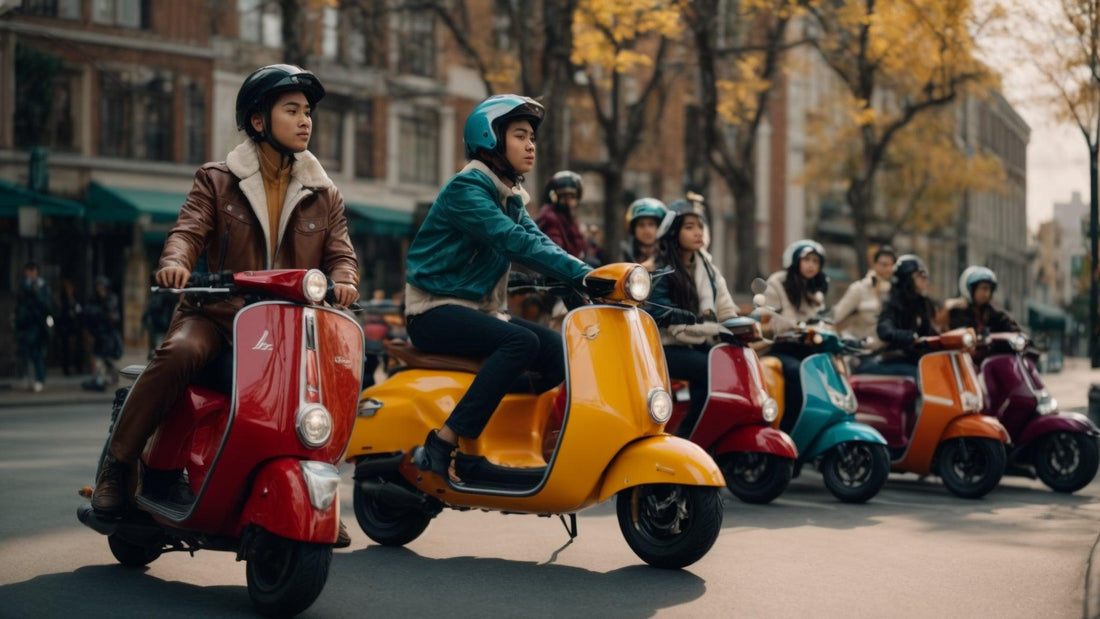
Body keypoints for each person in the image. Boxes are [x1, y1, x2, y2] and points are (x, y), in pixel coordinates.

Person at [91, 65, 360, 549]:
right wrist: (175, 263)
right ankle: (120, 462)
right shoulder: (217, 180)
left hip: (289, 327)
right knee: (178, 354)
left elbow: (341, 253)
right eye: (292, 110)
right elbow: (188, 230)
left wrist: (344, 282)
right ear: (258, 121)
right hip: (216, 317)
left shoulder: (325, 194)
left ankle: (312, 490)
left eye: (308, 112)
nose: (305, 121)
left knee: (323, 389)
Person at [404, 94, 593, 481]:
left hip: (478, 310)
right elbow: (515, 241)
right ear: (490, 138)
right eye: (520, 135)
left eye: (532, 138)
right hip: (433, 310)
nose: (530, 145)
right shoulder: (468, 189)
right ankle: (443, 442)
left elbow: (538, 241)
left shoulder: (509, 198)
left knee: (558, 352)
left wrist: (586, 275)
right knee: (520, 343)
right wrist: (582, 273)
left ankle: (496, 436)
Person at [644, 197, 739, 438]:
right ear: (673, 232)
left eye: (700, 226)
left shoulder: (709, 270)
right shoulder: (660, 269)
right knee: (710, 369)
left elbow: (726, 309)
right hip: (665, 347)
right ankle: (689, 437)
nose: (698, 232)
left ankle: (719, 434)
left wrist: (741, 327)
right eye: (689, 227)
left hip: (695, 343)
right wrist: (706, 326)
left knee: (732, 365)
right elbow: (660, 313)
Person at [760, 240, 828, 432]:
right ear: (795, 259)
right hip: (781, 348)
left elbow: (822, 320)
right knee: (799, 374)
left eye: (816, 261)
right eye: (807, 259)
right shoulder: (777, 282)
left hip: (808, 350)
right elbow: (774, 321)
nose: (811, 265)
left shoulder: (815, 290)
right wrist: (802, 326)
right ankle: (787, 429)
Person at [860, 254, 940, 380]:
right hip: (892, 358)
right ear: (907, 278)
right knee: (921, 375)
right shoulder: (893, 303)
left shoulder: (922, 303)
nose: (925, 280)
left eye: (925, 276)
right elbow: (884, 329)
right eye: (919, 276)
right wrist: (907, 336)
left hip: (914, 359)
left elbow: (931, 333)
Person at [832, 246, 896, 351]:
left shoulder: (893, 291)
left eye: (891, 265)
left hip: (883, 350)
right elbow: (837, 315)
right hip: (859, 349)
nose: (888, 269)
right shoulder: (859, 289)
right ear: (874, 264)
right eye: (884, 265)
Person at [945, 266, 1020, 333]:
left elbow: (1016, 334)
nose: (987, 294)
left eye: (990, 290)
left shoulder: (998, 316)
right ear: (971, 289)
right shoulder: (957, 313)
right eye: (984, 288)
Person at [14, 261, 53, 392]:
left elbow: (46, 304)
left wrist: (35, 292)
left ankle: (39, 379)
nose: (30, 274)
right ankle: (27, 378)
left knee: (37, 352)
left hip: (37, 324)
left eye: (32, 271)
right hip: (25, 323)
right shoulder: (22, 285)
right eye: (28, 271)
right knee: (25, 352)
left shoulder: (41, 286)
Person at [535, 170, 588, 261]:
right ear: (554, 197)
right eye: (564, 196)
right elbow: (557, 256)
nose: (569, 201)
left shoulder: (568, 219)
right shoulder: (550, 218)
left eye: (572, 196)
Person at [82, 276, 123, 391]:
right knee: (99, 358)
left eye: (102, 287)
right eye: (98, 287)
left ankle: (107, 378)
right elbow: (89, 313)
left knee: (107, 359)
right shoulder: (94, 300)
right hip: (97, 333)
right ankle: (101, 380)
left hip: (108, 334)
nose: (100, 289)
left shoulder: (111, 299)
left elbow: (113, 316)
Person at [621, 197, 672, 269]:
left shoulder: (670, 257)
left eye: (651, 224)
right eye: (641, 225)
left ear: (660, 227)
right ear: (633, 229)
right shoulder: (624, 257)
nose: (646, 230)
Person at [54, 278, 84, 376]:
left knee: (77, 348)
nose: (69, 291)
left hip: (75, 327)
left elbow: (80, 311)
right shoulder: (63, 301)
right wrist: (67, 314)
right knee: (66, 349)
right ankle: (66, 369)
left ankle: (78, 368)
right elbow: (59, 314)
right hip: (66, 328)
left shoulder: (76, 299)